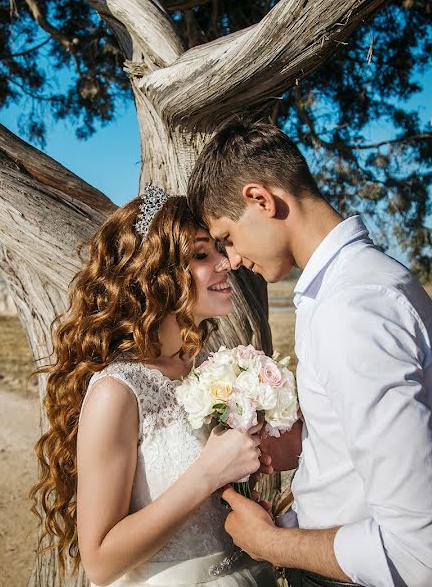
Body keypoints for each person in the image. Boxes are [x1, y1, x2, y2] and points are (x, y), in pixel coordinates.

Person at [187, 122, 432, 587]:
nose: (231, 261)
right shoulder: (351, 288)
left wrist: (267, 543)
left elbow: (421, 560)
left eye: (228, 237)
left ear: (261, 200)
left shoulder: (353, 309)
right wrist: (307, 445)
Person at [30, 188, 277, 587]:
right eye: (201, 255)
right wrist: (209, 474)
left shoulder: (207, 369)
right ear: (155, 275)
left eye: (219, 249)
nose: (226, 263)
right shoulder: (117, 391)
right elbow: (100, 561)